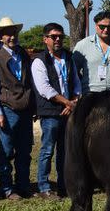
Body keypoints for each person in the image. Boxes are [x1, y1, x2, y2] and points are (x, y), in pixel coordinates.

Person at [0, 17, 34, 200]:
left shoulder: (24, 55)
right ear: (1, 37)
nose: (12, 36)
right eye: (7, 34)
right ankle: (6, 188)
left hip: (26, 110)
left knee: (24, 150)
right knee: (6, 151)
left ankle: (23, 185)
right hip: (7, 110)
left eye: (14, 32)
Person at [32, 23, 81, 199]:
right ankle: (44, 187)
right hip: (51, 113)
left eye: (60, 36)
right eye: (54, 36)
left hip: (68, 112)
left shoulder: (68, 57)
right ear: (46, 39)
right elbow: (44, 88)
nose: (58, 39)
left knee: (65, 151)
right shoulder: (39, 60)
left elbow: (76, 82)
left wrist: (74, 100)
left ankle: (63, 185)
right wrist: (68, 102)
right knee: (47, 150)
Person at [72, 11, 110, 93]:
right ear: (96, 26)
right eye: (102, 26)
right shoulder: (82, 45)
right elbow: (73, 71)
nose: (106, 30)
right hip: (91, 96)